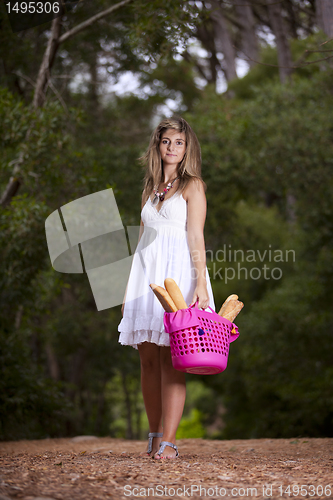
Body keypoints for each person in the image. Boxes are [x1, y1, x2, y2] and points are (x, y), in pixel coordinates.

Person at [117, 116, 215, 459]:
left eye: (179, 142)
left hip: (180, 277)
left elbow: (195, 235)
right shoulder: (150, 188)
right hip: (146, 279)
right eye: (166, 141)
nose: (172, 148)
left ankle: (170, 442)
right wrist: (131, 290)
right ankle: (155, 435)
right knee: (147, 360)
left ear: (188, 149)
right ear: (157, 146)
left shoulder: (193, 186)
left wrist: (200, 282)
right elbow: (143, 240)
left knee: (173, 359)